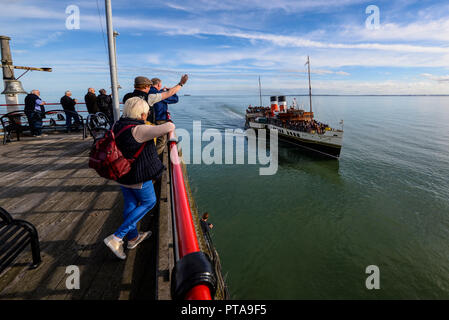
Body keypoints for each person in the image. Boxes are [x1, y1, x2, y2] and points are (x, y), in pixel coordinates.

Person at [103, 97, 176, 260]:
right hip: (137, 175)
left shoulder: (117, 124)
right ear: (143, 114)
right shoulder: (139, 130)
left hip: (120, 173)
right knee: (149, 202)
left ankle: (133, 238)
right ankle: (117, 237)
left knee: (130, 204)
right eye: (147, 112)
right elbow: (170, 126)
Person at [122, 74, 188, 123]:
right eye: (149, 86)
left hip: (126, 124)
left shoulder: (126, 96)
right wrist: (181, 83)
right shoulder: (150, 97)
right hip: (144, 125)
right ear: (145, 87)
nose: (149, 88)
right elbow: (170, 94)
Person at [149, 77, 179, 154]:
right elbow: (175, 99)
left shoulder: (149, 92)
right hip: (160, 119)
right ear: (159, 84)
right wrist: (170, 91)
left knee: (150, 140)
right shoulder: (159, 95)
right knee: (161, 141)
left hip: (150, 119)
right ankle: (154, 158)